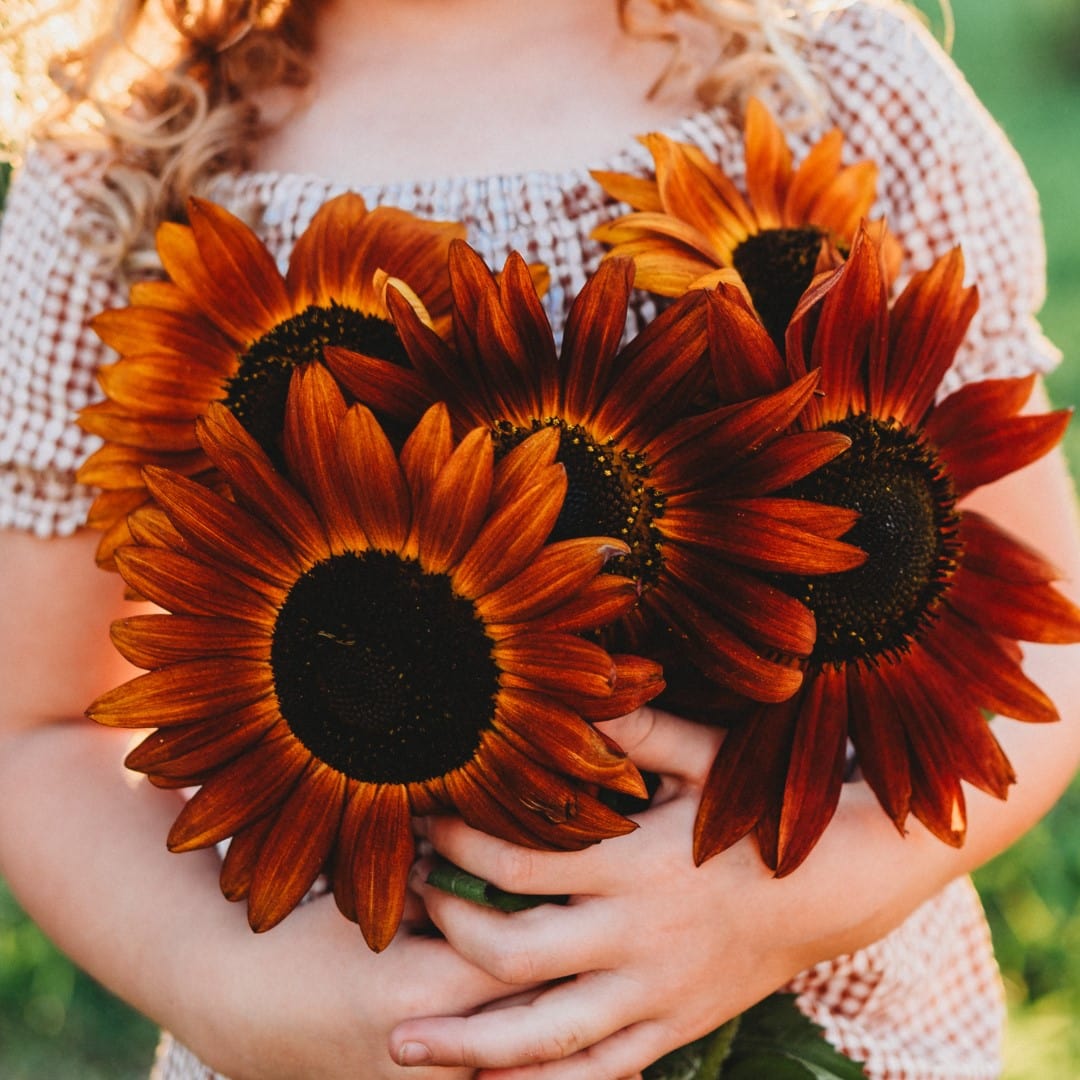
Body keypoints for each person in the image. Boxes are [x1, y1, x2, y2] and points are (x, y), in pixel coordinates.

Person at [1, 1, 1078, 1078]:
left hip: (820, 1004)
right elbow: (37, 729)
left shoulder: (835, 84)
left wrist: (797, 898)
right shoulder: (124, 165)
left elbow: (1046, 638)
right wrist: (238, 989)